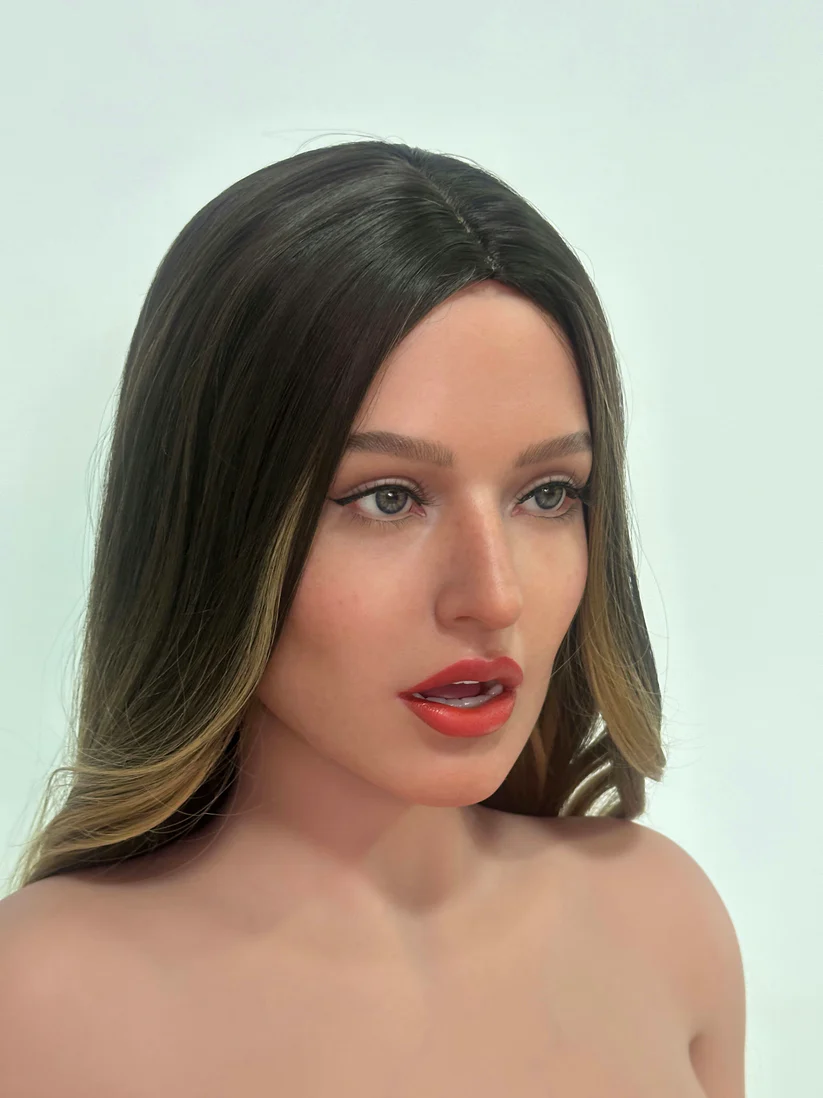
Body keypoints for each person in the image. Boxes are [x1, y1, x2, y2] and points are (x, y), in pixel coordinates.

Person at [0, 140, 745, 1095]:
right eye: (387, 498)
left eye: (547, 494)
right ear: (215, 526)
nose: (493, 595)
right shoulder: (41, 1002)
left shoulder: (662, 926)